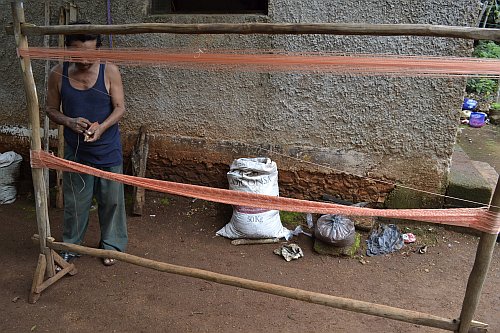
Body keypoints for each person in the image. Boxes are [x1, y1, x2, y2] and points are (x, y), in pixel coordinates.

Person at [46, 21, 127, 266]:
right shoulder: (57, 74)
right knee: (75, 203)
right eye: (78, 54)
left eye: (90, 54)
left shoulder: (109, 70)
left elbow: (120, 107)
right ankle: (72, 245)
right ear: (67, 49)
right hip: (77, 152)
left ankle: (111, 247)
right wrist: (70, 122)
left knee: (111, 201)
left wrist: (101, 128)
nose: (84, 60)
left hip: (108, 150)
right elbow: (50, 109)